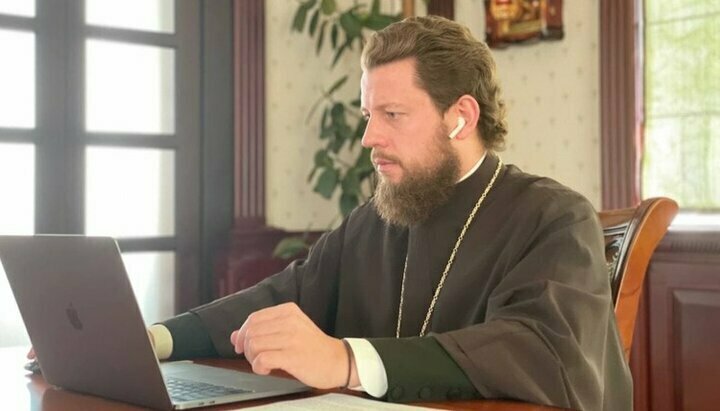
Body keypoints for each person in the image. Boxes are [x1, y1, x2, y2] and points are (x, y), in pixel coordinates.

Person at [30, 15, 631, 409]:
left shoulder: (554, 218)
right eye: (368, 115)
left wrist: (344, 360)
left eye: (392, 115)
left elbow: (542, 354)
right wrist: (155, 338)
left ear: (461, 117)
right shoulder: (380, 216)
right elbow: (282, 295)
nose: (368, 137)